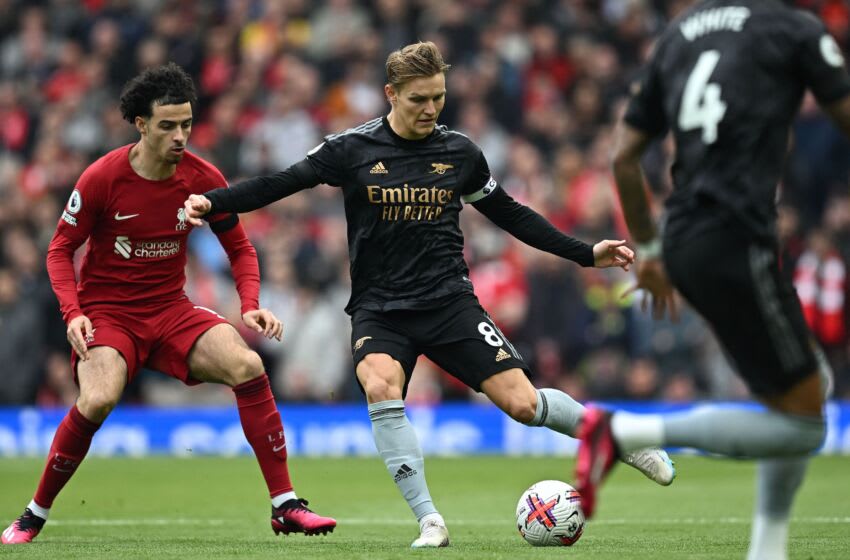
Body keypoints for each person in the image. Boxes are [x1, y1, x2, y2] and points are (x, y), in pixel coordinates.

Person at [183, 41, 675, 549]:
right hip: (380, 309)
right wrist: (213, 201)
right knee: (380, 386)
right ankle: (430, 521)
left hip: (448, 302)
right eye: (419, 98)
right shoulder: (352, 150)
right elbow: (279, 184)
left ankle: (620, 440)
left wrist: (584, 252)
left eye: (438, 97)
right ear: (390, 93)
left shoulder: (459, 152)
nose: (430, 109)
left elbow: (511, 214)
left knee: (523, 404)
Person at [1, 63, 336, 545]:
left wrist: (250, 303)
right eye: (167, 126)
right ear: (141, 124)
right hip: (109, 314)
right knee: (97, 398)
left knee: (248, 364)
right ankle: (33, 514)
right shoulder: (103, 177)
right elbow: (59, 249)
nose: (180, 135)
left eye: (186, 124)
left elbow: (240, 247)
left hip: (171, 309)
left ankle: (285, 505)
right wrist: (73, 314)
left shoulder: (202, 176)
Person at [575, 1, 850, 558]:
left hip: (687, 238)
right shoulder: (792, 28)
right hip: (735, 238)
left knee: (809, 387)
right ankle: (623, 433)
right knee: (803, 427)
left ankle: (767, 548)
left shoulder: (677, 36)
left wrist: (650, 251)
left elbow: (624, 157)